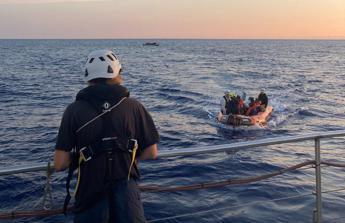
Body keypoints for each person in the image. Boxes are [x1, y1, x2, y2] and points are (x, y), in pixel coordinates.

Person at [54, 49, 159, 223]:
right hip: (127, 197)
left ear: (88, 77)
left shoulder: (73, 110)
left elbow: (59, 163)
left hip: (90, 196)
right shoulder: (134, 106)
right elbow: (151, 153)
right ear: (117, 72)